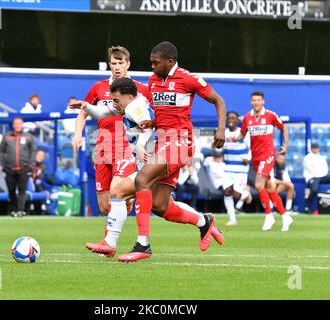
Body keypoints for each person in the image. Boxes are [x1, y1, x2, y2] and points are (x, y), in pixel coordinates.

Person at [70, 77, 223, 257]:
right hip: (163, 153)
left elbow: (148, 127)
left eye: (116, 100)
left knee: (128, 186)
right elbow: (102, 113)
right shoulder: (128, 105)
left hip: (169, 150)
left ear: (129, 96)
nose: (114, 103)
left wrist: (141, 145)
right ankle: (204, 221)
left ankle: (139, 244)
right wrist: (86, 106)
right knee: (159, 205)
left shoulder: (136, 108)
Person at [119, 41, 226, 262]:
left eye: (155, 63)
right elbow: (163, 112)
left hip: (180, 143)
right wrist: (151, 122)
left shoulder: (188, 79)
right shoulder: (153, 82)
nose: (152, 66)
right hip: (162, 142)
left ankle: (143, 245)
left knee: (142, 180)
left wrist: (221, 129)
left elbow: (219, 101)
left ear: (170, 61)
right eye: (151, 63)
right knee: (159, 205)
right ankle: (203, 221)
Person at [71, 46, 150, 219]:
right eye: (114, 63)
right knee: (104, 205)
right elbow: (84, 113)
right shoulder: (99, 87)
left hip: (126, 146)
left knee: (116, 193)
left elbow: (154, 114)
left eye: (121, 63)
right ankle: (128, 201)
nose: (117, 67)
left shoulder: (139, 89)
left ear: (128, 64)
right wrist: (77, 135)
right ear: (109, 64)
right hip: (102, 148)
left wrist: (143, 143)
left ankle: (109, 242)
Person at [232, 91, 293, 232]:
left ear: (263, 101)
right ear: (251, 102)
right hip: (256, 157)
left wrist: (285, 145)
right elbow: (242, 134)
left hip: (268, 154)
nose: (256, 103)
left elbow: (284, 128)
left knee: (258, 184)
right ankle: (285, 216)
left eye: (258, 100)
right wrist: (231, 138)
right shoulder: (247, 117)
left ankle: (269, 216)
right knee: (270, 187)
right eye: (253, 100)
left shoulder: (271, 115)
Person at [0, 117, 37, 217]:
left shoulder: (29, 137)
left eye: (19, 123)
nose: (17, 125)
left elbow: (33, 151)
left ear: (22, 124)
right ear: (13, 125)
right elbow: (1, 151)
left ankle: (21, 210)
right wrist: (2, 164)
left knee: (22, 190)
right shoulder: (6, 136)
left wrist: (31, 164)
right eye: (15, 123)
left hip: (24, 168)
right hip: (9, 168)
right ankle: (13, 210)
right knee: (11, 190)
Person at [222, 111, 252, 226]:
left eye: (233, 118)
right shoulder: (224, 133)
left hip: (241, 169)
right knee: (227, 192)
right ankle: (232, 219)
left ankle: (245, 195)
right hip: (228, 168)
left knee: (237, 195)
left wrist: (248, 158)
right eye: (229, 118)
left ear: (237, 120)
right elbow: (219, 148)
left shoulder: (243, 133)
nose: (231, 120)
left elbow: (252, 148)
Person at [303, 143, 330, 213]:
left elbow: (325, 169)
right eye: (314, 148)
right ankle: (307, 207)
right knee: (314, 189)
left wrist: (322, 175)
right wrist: (319, 174)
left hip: (322, 176)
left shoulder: (321, 158)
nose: (316, 149)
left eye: (316, 148)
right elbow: (310, 169)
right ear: (311, 149)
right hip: (312, 177)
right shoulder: (307, 158)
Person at [31, 150, 47, 215]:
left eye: (42, 156)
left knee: (38, 185)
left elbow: (40, 178)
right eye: (39, 155)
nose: (40, 157)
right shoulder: (31, 164)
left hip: (36, 184)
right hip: (28, 182)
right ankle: (31, 205)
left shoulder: (43, 166)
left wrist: (36, 180)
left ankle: (43, 205)